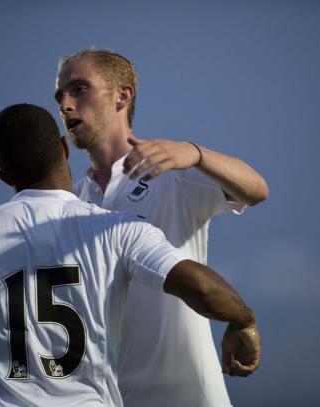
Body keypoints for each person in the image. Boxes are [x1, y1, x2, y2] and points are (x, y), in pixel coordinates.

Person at [0, 103, 261, 406]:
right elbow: (203, 289)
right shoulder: (118, 230)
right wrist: (243, 320)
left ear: (4, 177)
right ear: (64, 149)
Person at [55, 49, 268, 406]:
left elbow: (257, 190)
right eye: (60, 95)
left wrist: (196, 153)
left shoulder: (174, 173)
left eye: (79, 89)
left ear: (122, 95)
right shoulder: (72, 200)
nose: (65, 105)